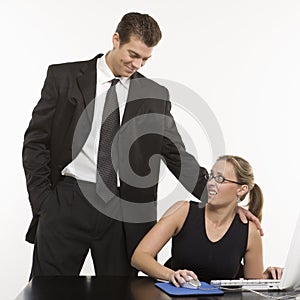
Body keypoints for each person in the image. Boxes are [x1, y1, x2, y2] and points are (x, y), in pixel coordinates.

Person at [22, 13, 261, 278]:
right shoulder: (63, 77)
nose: (137, 64)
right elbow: (36, 142)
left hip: (124, 212)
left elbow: (176, 155)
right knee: (49, 290)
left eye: (145, 59)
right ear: (116, 40)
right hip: (68, 200)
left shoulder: (155, 95)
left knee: (122, 293)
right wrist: (44, 202)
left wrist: (218, 199)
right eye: (133, 54)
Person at [131, 155, 283, 286]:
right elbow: (139, 257)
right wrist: (170, 275)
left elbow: (252, 287)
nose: (210, 183)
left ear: (241, 189)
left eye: (220, 179)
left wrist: (270, 278)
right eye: (211, 176)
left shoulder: (250, 231)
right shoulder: (182, 211)